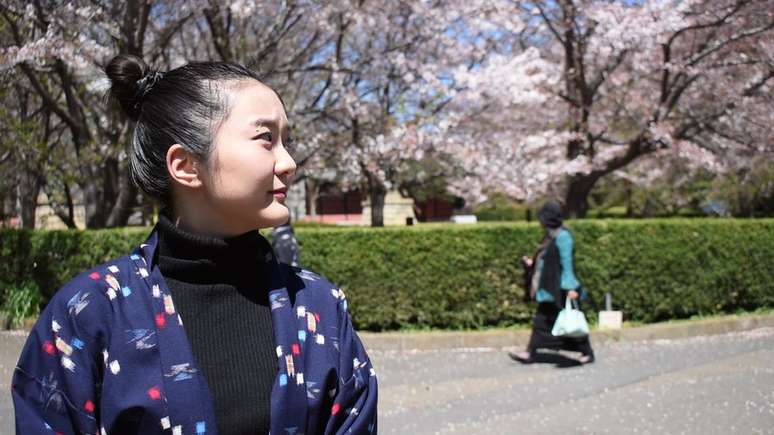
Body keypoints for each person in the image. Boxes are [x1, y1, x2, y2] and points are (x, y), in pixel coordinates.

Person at [12, 55, 377, 435]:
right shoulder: (89, 312)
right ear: (186, 165)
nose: (288, 162)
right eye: (266, 138)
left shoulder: (319, 306)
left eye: (287, 140)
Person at [509, 200, 595, 365]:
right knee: (541, 322)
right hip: (549, 288)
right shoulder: (551, 235)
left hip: (559, 289)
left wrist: (570, 287)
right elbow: (546, 260)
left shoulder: (563, 237)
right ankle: (530, 352)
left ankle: (587, 352)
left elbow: (566, 263)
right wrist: (531, 264)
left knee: (566, 322)